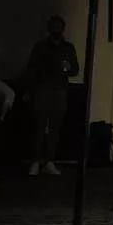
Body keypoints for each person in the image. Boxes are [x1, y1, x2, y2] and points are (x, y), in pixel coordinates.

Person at [25, 15, 78, 176]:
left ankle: (49, 161)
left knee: (55, 128)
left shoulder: (68, 48)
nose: (55, 29)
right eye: (53, 26)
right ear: (49, 28)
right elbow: (31, 69)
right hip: (42, 89)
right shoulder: (40, 46)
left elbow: (75, 70)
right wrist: (29, 90)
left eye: (58, 26)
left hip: (60, 90)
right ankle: (35, 161)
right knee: (39, 126)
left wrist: (67, 68)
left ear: (63, 28)